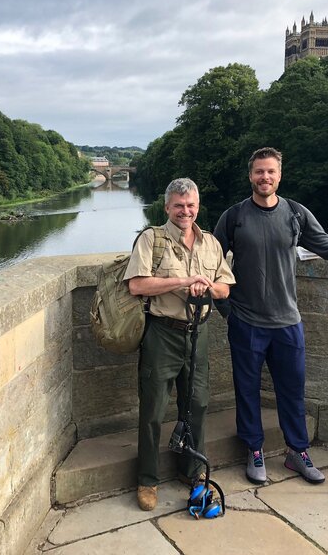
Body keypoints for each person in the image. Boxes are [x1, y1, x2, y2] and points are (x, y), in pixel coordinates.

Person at [213, 147, 328, 485]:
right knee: (247, 390)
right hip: (246, 322)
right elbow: (211, 262)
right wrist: (227, 310)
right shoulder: (234, 216)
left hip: (287, 322)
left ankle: (298, 451)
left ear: (279, 175)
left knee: (292, 391)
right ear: (250, 176)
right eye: (259, 171)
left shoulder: (295, 213)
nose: (265, 177)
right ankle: (254, 450)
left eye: (271, 171)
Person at [124, 178, 235, 511]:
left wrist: (208, 287)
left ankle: (192, 471)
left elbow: (225, 288)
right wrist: (185, 281)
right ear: (167, 207)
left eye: (190, 206)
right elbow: (137, 285)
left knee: (197, 404)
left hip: (199, 333)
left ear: (197, 206)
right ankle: (147, 479)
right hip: (162, 333)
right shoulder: (151, 239)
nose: (185, 211)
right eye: (178, 206)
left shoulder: (211, 243)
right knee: (153, 409)